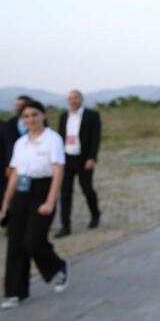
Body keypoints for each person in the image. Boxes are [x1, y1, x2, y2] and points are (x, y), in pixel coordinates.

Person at [1, 100, 69, 309]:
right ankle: (15, 293)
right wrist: (6, 203)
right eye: (26, 116)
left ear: (43, 116)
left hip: (43, 190)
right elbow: (14, 174)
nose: (30, 119)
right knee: (15, 244)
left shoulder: (52, 139)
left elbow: (58, 171)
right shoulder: (21, 143)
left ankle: (57, 267)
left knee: (32, 241)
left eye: (34, 115)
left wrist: (50, 201)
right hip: (22, 192)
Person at [55, 90, 101, 237]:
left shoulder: (91, 115)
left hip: (84, 159)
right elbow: (60, 137)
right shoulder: (64, 116)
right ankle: (65, 225)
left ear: (81, 99)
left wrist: (92, 157)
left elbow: (95, 137)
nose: (73, 100)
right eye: (70, 98)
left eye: (75, 97)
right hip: (67, 158)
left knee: (87, 189)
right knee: (65, 192)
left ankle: (95, 214)